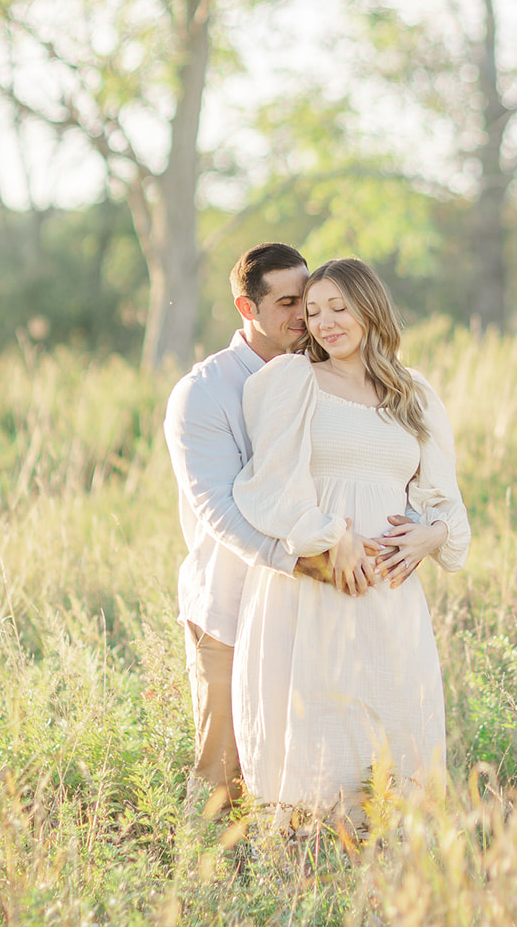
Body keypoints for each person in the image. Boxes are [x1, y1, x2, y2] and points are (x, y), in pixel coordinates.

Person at [164, 242, 443, 817]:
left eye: (312, 300)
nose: (307, 318)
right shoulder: (205, 390)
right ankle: (208, 883)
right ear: (249, 308)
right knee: (226, 769)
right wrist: (310, 559)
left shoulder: (332, 377)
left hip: (321, 599)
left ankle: (322, 866)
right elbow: (222, 509)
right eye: (290, 303)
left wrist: (415, 535)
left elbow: (382, 472)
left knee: (321, 746)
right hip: (233, 598)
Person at [230, 257, 470, 827]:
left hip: (390, 589)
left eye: (339, 307)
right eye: (312, 312)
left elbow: (445, 501)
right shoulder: (293, 381)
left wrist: (427, 538)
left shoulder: (414, 393)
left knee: (391, 725)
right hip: (320, 582)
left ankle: (392, 863)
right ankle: (309, 861)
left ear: (370, 307)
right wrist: (333, 535)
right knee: (319, 726)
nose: (325, 323)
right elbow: (271, 488)